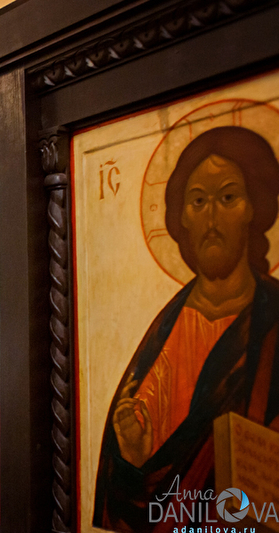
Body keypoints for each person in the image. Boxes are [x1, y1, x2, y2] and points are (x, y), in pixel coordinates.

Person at [93, 126, 279, 533]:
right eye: (198, 201)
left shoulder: (274, 320)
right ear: (182, 217)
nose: (211, 218)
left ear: (253, 207)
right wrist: (133, 457)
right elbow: (126, 496)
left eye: (227, 198)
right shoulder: (164, 333)